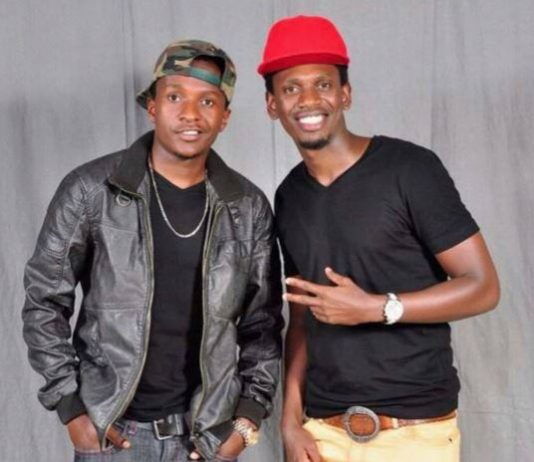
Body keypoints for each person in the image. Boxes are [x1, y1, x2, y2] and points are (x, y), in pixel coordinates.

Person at [22, 39, 283, 462]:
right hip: (113, 434)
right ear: (153, 106)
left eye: (207, 101)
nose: (190, 114)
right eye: (175, 97)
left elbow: (263, 325)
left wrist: (247, 420)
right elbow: (43, 300)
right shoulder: (91, 190)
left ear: (225, 117)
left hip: (206, 437)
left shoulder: (247, 207)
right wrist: (70, 406)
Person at [257, 15, 500, 462]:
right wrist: (290, 422)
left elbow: (483, 287)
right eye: (291, 88)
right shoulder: (289, 196)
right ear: (273, 105)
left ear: (345, 94)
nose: (308, 100)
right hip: (323, 433)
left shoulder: (410, 169)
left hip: (413, 432)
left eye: (323, 84)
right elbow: (303, 315)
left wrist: (377, 307)